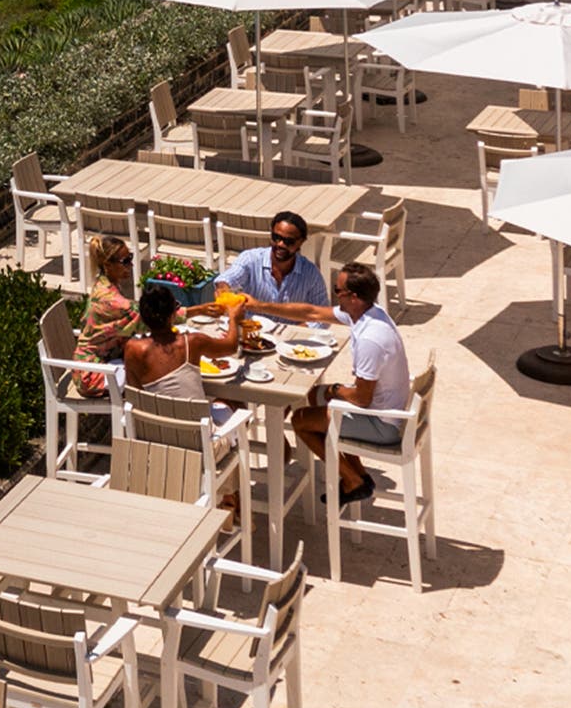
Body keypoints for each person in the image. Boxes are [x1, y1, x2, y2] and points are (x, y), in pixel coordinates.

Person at [244, 262, 410, 505]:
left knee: (301, 421)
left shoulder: (370, 340)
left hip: (383, 424)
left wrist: (335, 390)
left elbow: (362, 398)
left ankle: (353, 480)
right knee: (315, 395)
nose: (335, 295)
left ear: (353, 297)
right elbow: (311, 312)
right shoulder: (369, 313)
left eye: (338, 291)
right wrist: (257, 305)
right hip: (386, 408)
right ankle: (356, 472)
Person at [123, 282, 244, 400]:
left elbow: (135, 394)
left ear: (143, 319)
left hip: (152, 418)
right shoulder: (192, 342)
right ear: (173, 315)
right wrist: (234, 318)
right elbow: (231, 346)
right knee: (234, 402)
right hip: (195, 420)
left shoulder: (133, 349)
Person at [209, 210, 329, 308]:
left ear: (301, 242)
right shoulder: (251, 259)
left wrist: (301, 329)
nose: (281, 244)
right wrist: (223, 291)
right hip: (253, 331)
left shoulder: (310, 273)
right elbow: (227, 278)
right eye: (276, 237)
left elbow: (321, 312)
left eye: (288, 241)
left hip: (289, 335)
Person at [70, 235, 142, 396]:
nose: (130, 265)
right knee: (149, 374)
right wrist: (194, 311)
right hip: (92, 375)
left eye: (130, 258)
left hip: (97, 363)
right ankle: (137, 417)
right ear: (108, 264)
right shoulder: (108, 298)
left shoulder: (103, 283)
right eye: (125, 261)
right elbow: (146, 316)